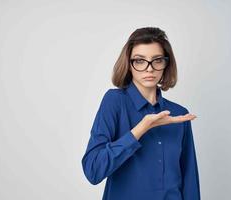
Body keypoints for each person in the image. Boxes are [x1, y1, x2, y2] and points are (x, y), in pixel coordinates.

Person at [81, 27, 200, 200]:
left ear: (166, 64)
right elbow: (93, 170)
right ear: (129, 64)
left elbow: (190, 180)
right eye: (139, 60)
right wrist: (140, 129)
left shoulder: (179, 114)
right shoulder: (114, 102)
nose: (149, 69)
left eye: (157, 60)